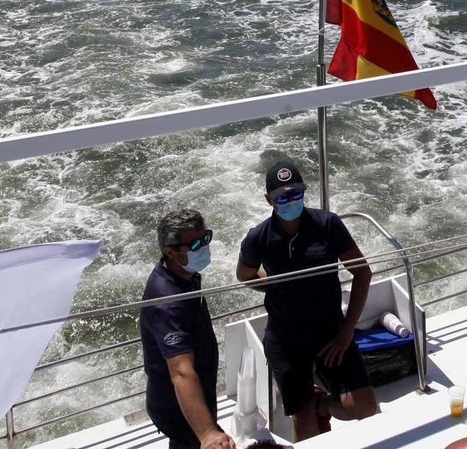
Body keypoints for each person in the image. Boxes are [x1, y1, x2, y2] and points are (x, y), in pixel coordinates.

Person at [236, 161, 380, 441]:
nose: (291, 201)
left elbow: (362, 272)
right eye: (283, 198)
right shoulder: (258, 238)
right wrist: (279, 286)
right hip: (285, 339)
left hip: (331, 332)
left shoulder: (328, 225)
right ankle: (308, 406)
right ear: (269, 200)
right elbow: (245, 275)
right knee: (305, 427)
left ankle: (321, 403)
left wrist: (347, 330)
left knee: (364, 406)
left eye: (296, 194)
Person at [140, 208, 234, 449]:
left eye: (205, 239)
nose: (203, 247)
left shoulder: (185, 273)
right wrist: (208, 433)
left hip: (200, 389)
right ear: (170, 252)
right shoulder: (167, 303)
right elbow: (180, 372)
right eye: (194, 245)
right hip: (179, 407)